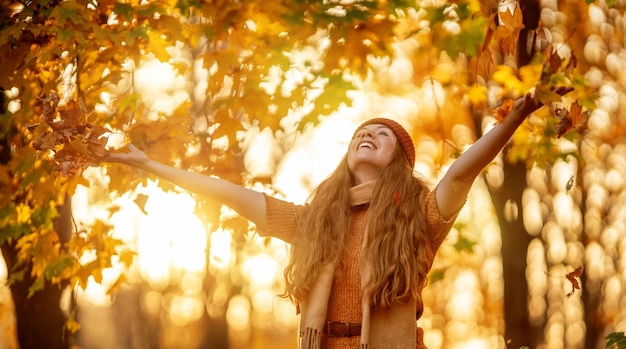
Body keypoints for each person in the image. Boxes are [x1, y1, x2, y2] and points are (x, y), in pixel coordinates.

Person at [106, 88, 570, 349]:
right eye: (362, 133)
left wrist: (519, 114)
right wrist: (151, 166)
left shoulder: (418, 217)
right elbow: (230, 194)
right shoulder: (315, 222)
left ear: (399, 161)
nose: (367, 135)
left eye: (381, 134)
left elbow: (465, 169)